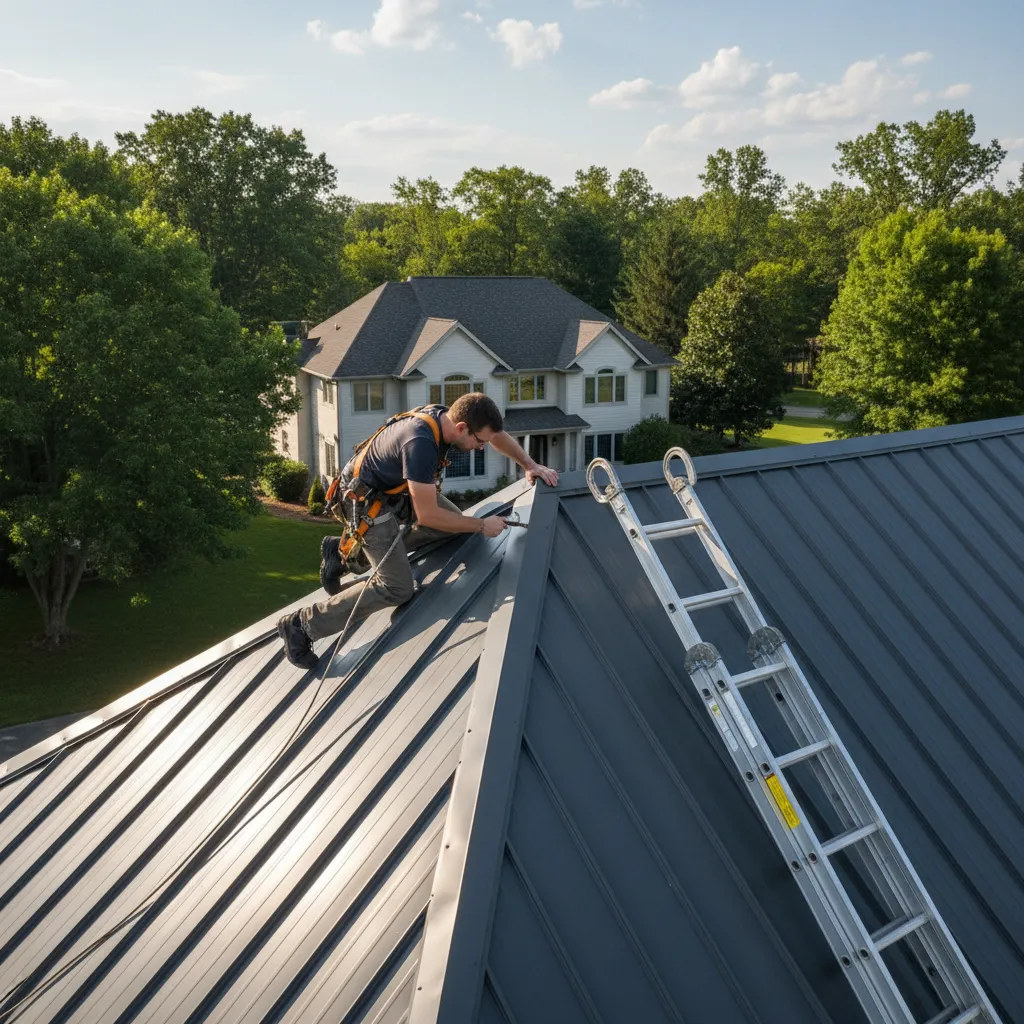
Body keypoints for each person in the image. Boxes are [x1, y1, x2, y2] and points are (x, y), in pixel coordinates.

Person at [277, 392, 558, 667]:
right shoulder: (420, 443)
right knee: (397, 588)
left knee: (456, 527)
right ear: (462, 428)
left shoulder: (449, 418)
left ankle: (343, 557)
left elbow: (496, 435)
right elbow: (427, 515)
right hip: (365, 503)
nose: (482, 447)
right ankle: (302, 625)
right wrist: (483, 525)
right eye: (479, 441)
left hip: (395, 489)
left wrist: (530, 465)